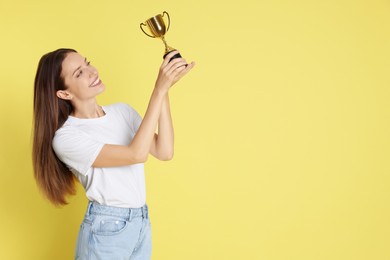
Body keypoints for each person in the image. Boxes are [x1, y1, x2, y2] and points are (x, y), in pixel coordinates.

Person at [32, 48, 195, 259]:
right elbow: (136, 154)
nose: (91, 71)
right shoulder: (66, 138)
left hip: (140, 223)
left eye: (87, 63)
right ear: (64, 94)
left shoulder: (123, 112)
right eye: (79, 73)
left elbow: (164, 151)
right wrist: (157, 90)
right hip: (106, 229)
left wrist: (164, 91)